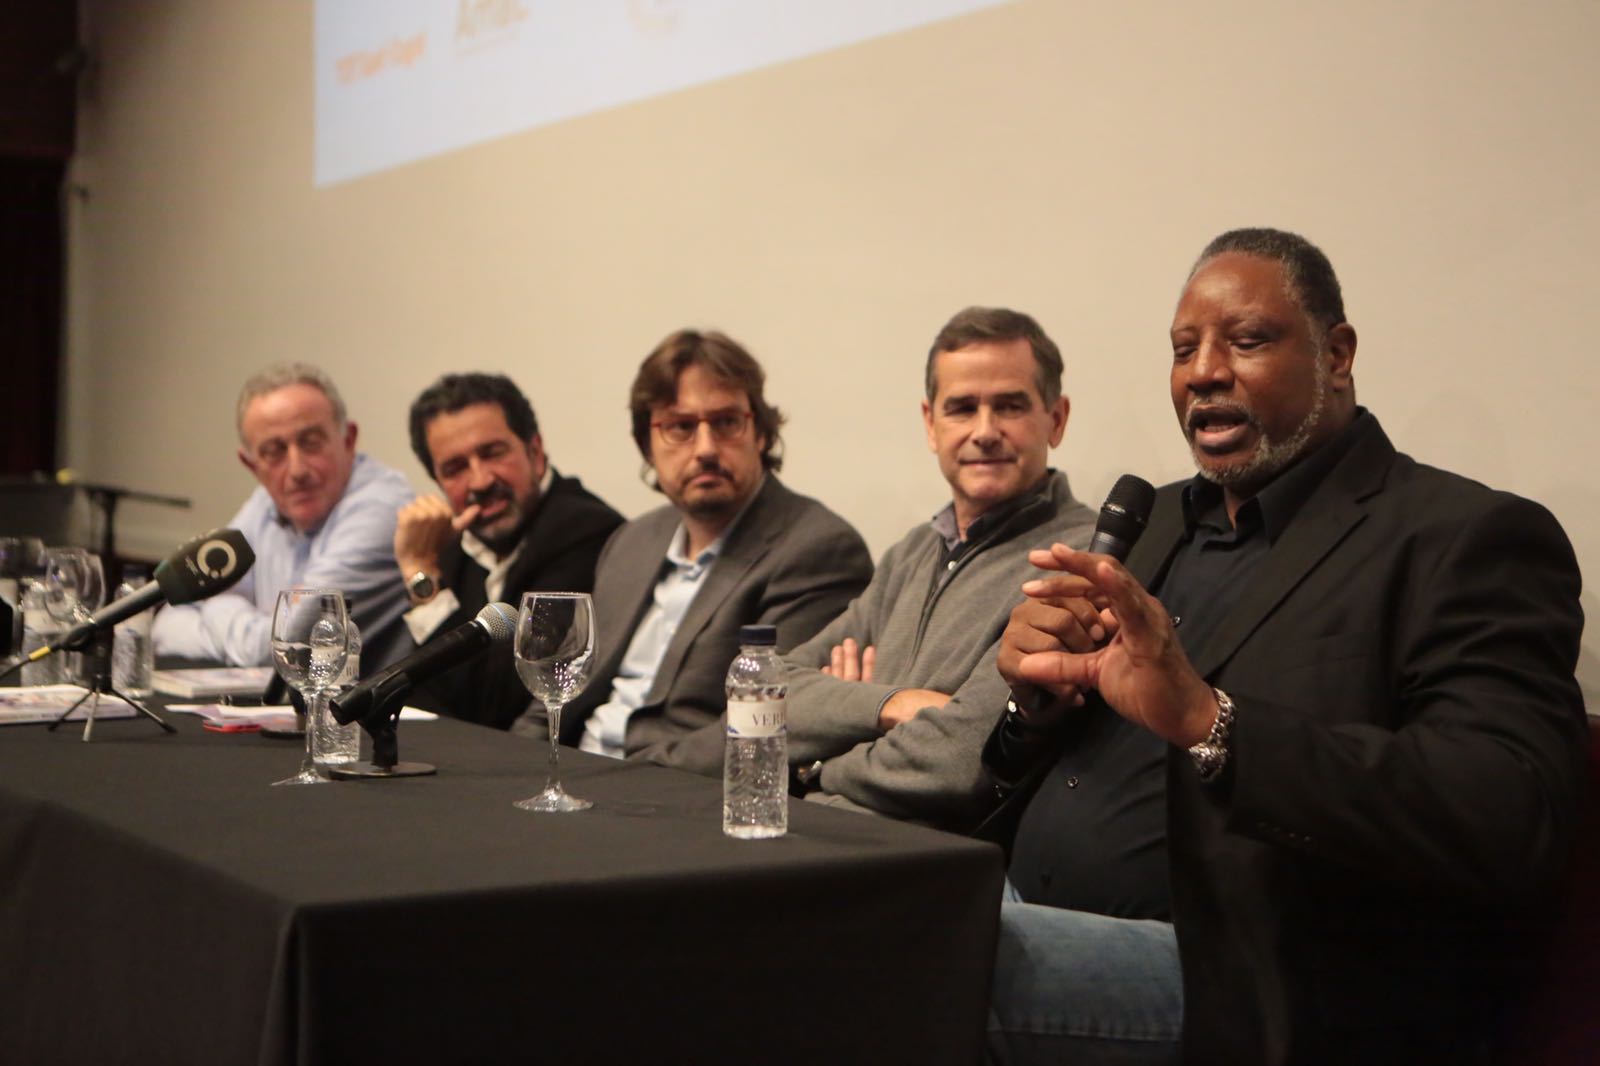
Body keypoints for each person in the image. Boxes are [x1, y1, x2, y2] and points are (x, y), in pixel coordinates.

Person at [989, 228, 1588, 1064]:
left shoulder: (1461, 537)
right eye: (1183, 350)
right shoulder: (1155, 523)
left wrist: (1210, 722)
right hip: (1023, 907)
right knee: (856, 905)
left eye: (1246, 340)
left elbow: (1508, 815)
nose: (1203, 372)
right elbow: (1020, 772)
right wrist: (1035, 704)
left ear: (1336, 354)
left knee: (916, 959)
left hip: (1255, 981)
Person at [635, 308, 1144, 841]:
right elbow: (764, 689)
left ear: (1056, 419)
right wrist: (887, 705)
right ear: (930, 424)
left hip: (920, 857)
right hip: (819, 833)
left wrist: (814, 763)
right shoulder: (913, 552)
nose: (984, 431)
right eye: (961, 408)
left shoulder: (1078, 561)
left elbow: (961, 762)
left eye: (1010, 406)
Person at [518, 329, 873, 756]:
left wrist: (614, 777)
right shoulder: (632, 541)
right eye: (680, 427)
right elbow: (557, 693)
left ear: (760, 433)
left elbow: (762, 724)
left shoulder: (818, 550)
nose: (705, 448)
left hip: (672, 784)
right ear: (647, 446)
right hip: (577, 768)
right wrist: (511, 762)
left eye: (726, 423)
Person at [396, 372, 623, 730]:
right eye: (455, 468)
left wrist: (420, 573)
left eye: (493, 453)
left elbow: (497, 703)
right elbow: (425, 692)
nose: (481, 481)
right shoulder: (454, 545)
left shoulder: (588, 533)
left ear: (535, 452)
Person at [153, 363, 416, 669]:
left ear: (349, 440)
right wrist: (245, 623)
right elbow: (165, 626)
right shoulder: (264, 504)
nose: (297, 470)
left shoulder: (383, 507)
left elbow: (288, 648)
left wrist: (214, 606)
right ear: (252, 464)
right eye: (273, 451)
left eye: (311, 442)